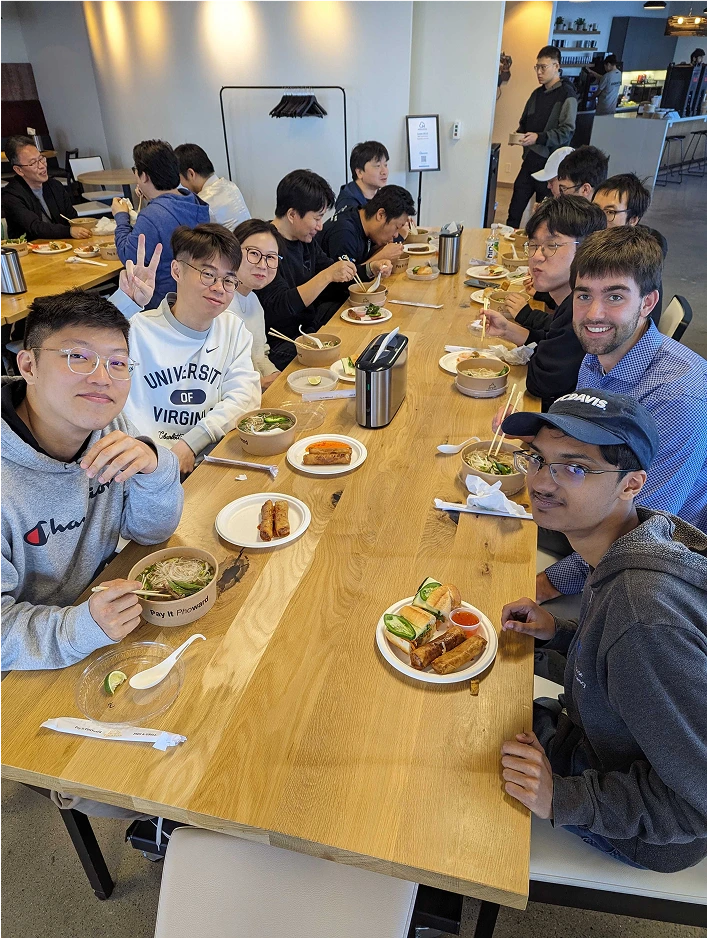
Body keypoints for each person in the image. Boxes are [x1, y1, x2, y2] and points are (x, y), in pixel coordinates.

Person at [499, 391, 707, 872]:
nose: (541, 483)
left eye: (574, 468)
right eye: (538, 459)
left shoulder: (643, 613)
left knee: (449, 751)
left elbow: (695, 802)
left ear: (631, 484)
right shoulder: (635, 538)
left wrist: (561, 797)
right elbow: (622, 669)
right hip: (593, 740)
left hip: (640, 823)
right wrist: (561, 635)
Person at [0, 288, 183, 673]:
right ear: (29, 366)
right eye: (78, 357)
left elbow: (151, 533)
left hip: (101, 625)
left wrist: (156, 467)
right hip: (25, 672)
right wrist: (82, 627)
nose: (102, 378)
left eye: (118, 363)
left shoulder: (107, 424)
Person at [533, 226, 707, 604]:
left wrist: (545, 584)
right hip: (596, 506)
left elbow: (640, 526)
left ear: (647, 303)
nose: (594, 314)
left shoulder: (679, 396)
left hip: (650, 570)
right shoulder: (599, 356)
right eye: (584, 296)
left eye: (614, 296)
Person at [112, 225, 261, 476]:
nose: (219, 287)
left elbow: (245, 397)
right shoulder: (135, 330)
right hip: (145, 471)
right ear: (176, 270)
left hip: (214, 462)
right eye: (207, 274)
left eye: (228, 279)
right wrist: (123, 305)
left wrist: (191, 443)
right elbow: (74, 356)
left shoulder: (232, 329)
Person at [483, 196, 606, 410]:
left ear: (587, 250)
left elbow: (541, 382)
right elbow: (553, 342)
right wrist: (509, 330)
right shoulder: (569, 303)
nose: (537, 256)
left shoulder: (585, 313)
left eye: (551, 245)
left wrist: (534, 351)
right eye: (533, 245)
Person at [258, 169, 357, 370]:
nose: (320, 226)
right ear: (292, 214)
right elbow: (280, 306)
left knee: (356, 334)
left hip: (307, 329)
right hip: (281, 342)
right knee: (344, 359)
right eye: (317, 218)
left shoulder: (305, 239)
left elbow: (332, 273)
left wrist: (368, 269)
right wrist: (327, 275)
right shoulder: (265, 246)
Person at [112, 139, 210, 309]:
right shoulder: (193, 201)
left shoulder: (153, 215)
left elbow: (129, 257)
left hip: (161, 305)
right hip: (192, 299)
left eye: (136, 170)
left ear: (144, 175)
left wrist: (121, 216)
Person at [506, 47, 578, 229]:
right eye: (536, 67)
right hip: (530, 160)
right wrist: (519, 136)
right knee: (515, 209)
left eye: (543, 67)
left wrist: (538, 138)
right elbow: (524, 122)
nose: (538, 72)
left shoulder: (567, 95)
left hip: (550, 166)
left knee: (543, 216)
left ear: (556, 66)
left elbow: (567, 131)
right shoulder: (536, 94)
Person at [592, 173, 667, 321]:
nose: (598, 219)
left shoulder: (630, 263)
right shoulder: (603, 248)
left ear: (633, 220)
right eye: (595, 210)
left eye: (610, 212)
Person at [1, 135, 92, 240]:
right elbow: (35, 227)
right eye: (33, 163)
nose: (42, 166)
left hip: (63, 247)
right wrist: (68, 231)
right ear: (19, 170)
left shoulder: (55, 186)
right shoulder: (11, 196)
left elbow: (72, 218)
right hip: (30, 251)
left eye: (41, 159)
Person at [318, 185, 413, 281]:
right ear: (381, 215)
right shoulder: (344, 234)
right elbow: (343, 284)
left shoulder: (361, 218)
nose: (396, 234)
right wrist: (380, 257)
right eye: (396, 227)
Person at [231, 219, 283, 390]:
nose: (263, 265)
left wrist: (278, 380)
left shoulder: (253, 299)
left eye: (270, 257)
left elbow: (261, 356)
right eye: (254, 253)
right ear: (233, 251)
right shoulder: (220, 303)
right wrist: (260, 385)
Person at [174, 143, 250, 231]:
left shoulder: (204, 204)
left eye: (180, 178)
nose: (182, 184)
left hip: (233, 244)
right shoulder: (230, 186)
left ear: (191, 174)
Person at [335, 141, 390, 212]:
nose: (384, 172)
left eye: (385, 165)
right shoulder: (348, 206)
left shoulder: (384, 197)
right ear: (360, 172)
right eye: (377, 166)